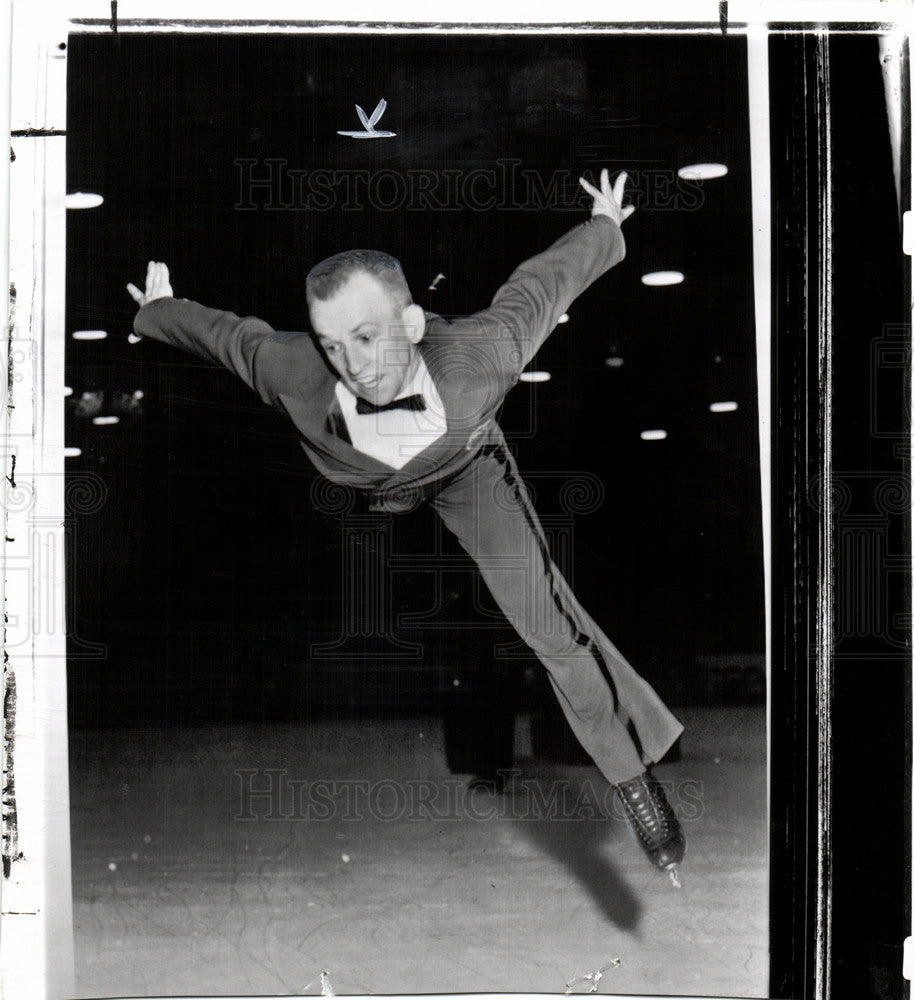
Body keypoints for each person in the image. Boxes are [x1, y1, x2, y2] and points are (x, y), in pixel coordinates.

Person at [127, 168, 686, 874]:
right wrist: (158, 310)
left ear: (413, 325)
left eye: (365, 338)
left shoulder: (481, 359)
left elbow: (542, 286)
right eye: (332, 344)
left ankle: (633, 782)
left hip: (468, 469)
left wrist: (604, 226)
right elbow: (232, 340)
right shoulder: (297, 373)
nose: (351, 365)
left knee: (549, 626)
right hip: (376, 487)